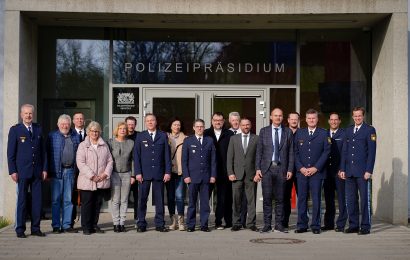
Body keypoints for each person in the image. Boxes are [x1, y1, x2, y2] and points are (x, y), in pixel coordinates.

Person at [7, 104, 47, 238]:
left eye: (30, 113)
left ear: (33, 114)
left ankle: (35, 228)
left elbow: (43, 152)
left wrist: (45, 168)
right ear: (21, 115)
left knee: (37, 201)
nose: (28, 116)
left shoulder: (38, 129)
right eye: (26, 113)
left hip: (37, 171)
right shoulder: (15, 130)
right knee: (22, 201)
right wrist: (12, 171)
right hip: (22, 172)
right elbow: (10, 153)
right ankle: (20, 229)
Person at [255, 108, 294, 233]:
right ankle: (267, 225)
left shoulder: (288, 132)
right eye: (275, 115)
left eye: (280, 116)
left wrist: (290, 169)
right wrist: (257, 169)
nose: (278, 118)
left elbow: (291, 153)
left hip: (281, 169)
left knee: (280, 199)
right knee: (267, 198)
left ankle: (279, 225)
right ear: (271, 117)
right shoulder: (264, 131)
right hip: (266, 169)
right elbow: (259, 152)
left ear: (283, 117)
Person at [339, 107, 376, 235]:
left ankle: (365, 226)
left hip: (362, 172)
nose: (357, 118)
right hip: (349, 171)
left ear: (363, 116)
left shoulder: (369, 130)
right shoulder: (348, 130)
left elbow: (372, 153)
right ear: (353, 116)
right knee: (350, 200)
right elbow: (344, 151)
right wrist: (342, 168)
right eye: (355, 116)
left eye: (359, 116)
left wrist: (369, 170)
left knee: (364, 200)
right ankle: (354, 225)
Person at [294, 109, 330, 234]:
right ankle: (302, 225)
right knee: (302, 199)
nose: (311, 120)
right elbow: (295, 152)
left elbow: (326, 152)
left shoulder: (324, 133)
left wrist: (315, 168)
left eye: (313, 118)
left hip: (317, 173)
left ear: (317, 119)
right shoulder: (300, 133)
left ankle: (316, 225)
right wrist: (301, 168)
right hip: (302, 173)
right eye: (309, 118)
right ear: (305, 119)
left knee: (316, 200)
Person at [134, 113, 172, 232]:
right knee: (142, 200)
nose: (150, 122)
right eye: (148, 121)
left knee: (159, 200)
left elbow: (167, 155)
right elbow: (137, 156)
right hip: (144, 174)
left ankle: (160, 224)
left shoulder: (162, 136)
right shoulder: (140, 136)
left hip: (159, 173)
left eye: (152, 120)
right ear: (145, 123)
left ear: (156, 122)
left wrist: (167, 172)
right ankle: (141, 224)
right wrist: (138, 172)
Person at [76, 121, 113, 235]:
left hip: (101, 180)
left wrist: (105, 174)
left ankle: (94, 225)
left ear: (99, 132)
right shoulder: (83, 145)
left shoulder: (104, 145)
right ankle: (86, 227)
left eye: (97, 131)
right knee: (87, 204)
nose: (95, 133)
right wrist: (92, 176)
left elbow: (110, 161)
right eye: (92, 131)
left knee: (97, 204)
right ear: (88, 132)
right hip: (87, 180)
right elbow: (80, 163)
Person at [47, 114, 80, 234]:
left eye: (67, 123)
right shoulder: (52, 136)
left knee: (68, 199)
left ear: (70, 124)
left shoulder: (75, 136)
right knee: (56, 200)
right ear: (58, 125)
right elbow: (47, 155)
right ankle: (56, 225)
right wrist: (46, 171)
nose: (65, 126)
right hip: (56, 172)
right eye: (62, 124)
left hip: (70, 171)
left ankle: (66, 225)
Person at [182, 119, 217, 232]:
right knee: (192, 203)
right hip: (192, 177)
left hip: (206, 177)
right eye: (197, 126)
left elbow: (213, 160)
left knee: (205, 203)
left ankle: (204, 225)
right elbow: (184, 160)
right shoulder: (188, 141)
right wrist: (186, 175)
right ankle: (191, 225)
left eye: (201, 126)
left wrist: (213, 175)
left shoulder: (209, 140)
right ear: (193, 128)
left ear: (204, 127)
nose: (199, 128)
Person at [227, 118, 259, 232]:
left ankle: (251, 223)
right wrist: (230, 172)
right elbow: (230, 157)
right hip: (236, 175)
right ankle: (236, 223)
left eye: (248, 125)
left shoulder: (256, 138)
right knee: (236, 200)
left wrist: (258, 172)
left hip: (251, 175)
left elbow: (258, 158)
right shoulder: (233, 139)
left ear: (250, 125)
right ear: (240, 126)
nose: (246, 127)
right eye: (243, 125)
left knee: (252, 200)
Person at [204, 112, 234, 230]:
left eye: (220, 120)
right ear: (212, 121)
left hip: (224, 171)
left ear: (223, 121)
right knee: (205, 197)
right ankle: (204, 222)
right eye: (215, 120)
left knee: (222, 199)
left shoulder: (229, 134)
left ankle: (219, 221)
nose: (218, 122)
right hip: (207, 171)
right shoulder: (206, 133)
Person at [107, 122, 135, 233]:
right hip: (114, 173)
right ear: (116, 130)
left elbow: (133, 160)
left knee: (124, 199)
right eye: (120, 128)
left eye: (124, 129)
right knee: (115, 200)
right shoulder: (110, 142)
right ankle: (115, 223)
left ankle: (122, 223)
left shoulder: (131, 143)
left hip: (127, 174)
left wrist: (133, 175)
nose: (123, 130)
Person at [322, 113, 347, 232]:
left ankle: (341, 224)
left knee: (341, 199)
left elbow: (345, 153)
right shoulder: (324, 133)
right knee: (328, 199)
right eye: (331, 120)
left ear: (339, 121)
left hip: (339, 172)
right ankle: (329, 224)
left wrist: (342, 169)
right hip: (327, 172)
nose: (333, 122)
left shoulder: (344, 134)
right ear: (328, 121)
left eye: (336, 120)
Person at [166, 117, 187, 231]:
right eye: (174, 124)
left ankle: (181, 221)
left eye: (178, 125)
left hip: (180, 171)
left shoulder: (186, 139)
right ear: (171, 126)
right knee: (170, 197)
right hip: (169, 172)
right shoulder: (165, 137)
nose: (177, 127)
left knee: (179, 196)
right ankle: (172, 221)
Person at [282, 112, 300, 228]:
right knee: (285, 197)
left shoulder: (303, 133)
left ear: (298, 120)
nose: (294, 121)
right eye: (291, 119)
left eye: (296, 119)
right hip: (285, 170)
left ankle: (302, 222)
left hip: (300, 170)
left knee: (302, 196)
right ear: (288, 120)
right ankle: (284, 222)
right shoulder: (282, 132)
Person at [71, 112, 86, 228]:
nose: (79, 120)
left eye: (81, 118)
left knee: (86, 196)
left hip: (86, 170)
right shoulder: (69, 134)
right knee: (71, 195)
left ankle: (86, 222)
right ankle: (70, 221)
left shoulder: (90, 134)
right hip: (73, 169)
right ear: (73, 121)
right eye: (77, 119)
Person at [125, 116, 139, 227]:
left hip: (137, 171)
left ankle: (137, 219)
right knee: (123, 198)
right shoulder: (121, 135)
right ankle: (121, 220)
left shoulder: (139, 136)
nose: (130, 126)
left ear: (135, 125)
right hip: (123, 172)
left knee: (137, 197)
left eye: (132, 124)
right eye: (129, 124)